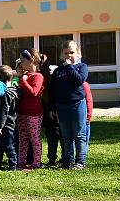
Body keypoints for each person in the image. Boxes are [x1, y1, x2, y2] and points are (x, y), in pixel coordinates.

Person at [49, 40, 89, 170]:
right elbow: (53, 90)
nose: (68, 56)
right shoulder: (58, 71)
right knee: (66, 135)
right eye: (66, 53)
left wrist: (69, 67)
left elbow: (79, 80)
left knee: (79, 134)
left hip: (77, 104)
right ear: (62, 54)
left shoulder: (81, 67)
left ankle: (80, 161)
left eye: (71, 52)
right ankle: (67, 160)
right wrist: (52, 106)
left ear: (77, 53)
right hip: (62, 106)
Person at [16, 48, 45, 170]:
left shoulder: (38, 76)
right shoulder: (25, 76)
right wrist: (20, 78)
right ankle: (21, 162)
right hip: (22, 112)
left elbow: (34, 92)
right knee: (23, 139)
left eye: (23, 61)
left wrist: (24, 81)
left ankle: (36, 163)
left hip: (34, 113)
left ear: (31, 60)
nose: (21, 63)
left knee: (34, 139)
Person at [0, 65, 18, 171]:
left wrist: (0, 126)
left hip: (6, 123)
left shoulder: (6, 93)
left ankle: (13, 164)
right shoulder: (15, 90)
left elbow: (4, 110)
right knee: (0, 145)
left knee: (8, 145)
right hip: (12, 121)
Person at [40, 53, 60, 167]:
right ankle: (53, 159)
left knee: (53, 137)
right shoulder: (47, 82)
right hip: (50, 114)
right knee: (53, 137)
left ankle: (53, 159)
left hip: (52, 113)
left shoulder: (50, 83)